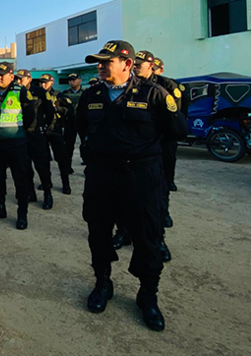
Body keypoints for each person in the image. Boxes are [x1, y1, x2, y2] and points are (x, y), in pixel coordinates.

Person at [76, 40, 188, 331]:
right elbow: (81, 128)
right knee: (98, 232)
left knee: (147, 237)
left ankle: (147, 295)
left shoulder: (154, 94)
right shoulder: (91, 95)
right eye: (98, 62)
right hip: (101, 177)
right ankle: (103, 283)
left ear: (127, 64)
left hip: (141, 178)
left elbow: (177, 129)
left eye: (106, 61)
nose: (100, 66)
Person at [133, 50, 183, 261]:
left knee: (161, 187)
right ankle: (125, 232)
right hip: (137, 148)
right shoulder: (130, 86)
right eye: (134, 63)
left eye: (139, 64)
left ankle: (160, 231)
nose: (135, 66)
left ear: (151, 65)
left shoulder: (167, 85)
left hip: (162, 145)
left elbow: (175, 119)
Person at [0, 62, 35, 230]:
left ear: (11, 76)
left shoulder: (21, 92)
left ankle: (22, 213)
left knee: (20, 180)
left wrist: (17, 132)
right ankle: (0, 208)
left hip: (16, 143)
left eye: (2, 74)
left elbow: (29, 116)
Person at [15, 69, 56, 209]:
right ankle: (30, 193)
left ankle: (47, 195)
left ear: (29, 79)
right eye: (17, 79)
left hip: (37, 135)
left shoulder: (40, 92)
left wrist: (44, 128)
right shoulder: (15, 93)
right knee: (25, 167)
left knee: (42, 167)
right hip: (22, 135)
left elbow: (50, 112)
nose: (19, 81)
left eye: (22, 79)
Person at [40, 73, 74, 195]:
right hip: (42, 130)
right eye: (41, 82)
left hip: (56, 129)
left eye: (46, 82)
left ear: (51, 82)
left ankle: (65, 183)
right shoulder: (38, 95)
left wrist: (58, 109)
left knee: (61, 159)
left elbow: (70, 110)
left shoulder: (59, 96)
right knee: (43, 160)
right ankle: (46, 182)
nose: (43, 84)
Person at [62, 73, 85, 172]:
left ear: (79, 80)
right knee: (68, 145)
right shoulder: (65, 93)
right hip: (70, 121)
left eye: (74, 80)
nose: (71, 82)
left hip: (83, 121)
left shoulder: (86, 93)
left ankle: (87, 165)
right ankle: (67, 166)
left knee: (85, 144)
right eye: (70, 80)